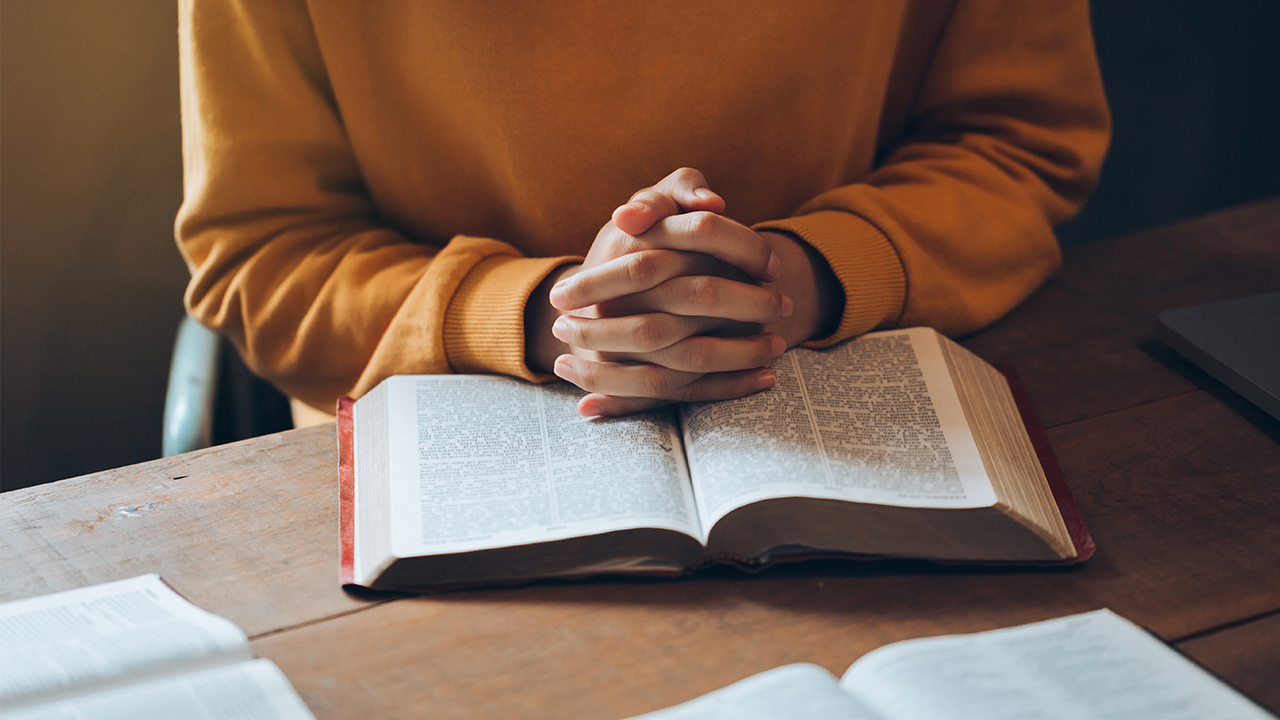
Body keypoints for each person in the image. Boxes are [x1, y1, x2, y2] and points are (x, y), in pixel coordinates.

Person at [175, 1, 1110, 421]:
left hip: (851, 396)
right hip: (437, 431)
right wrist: (550, 314)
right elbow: (263, 251)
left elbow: (1017, 142)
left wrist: (801, 277)